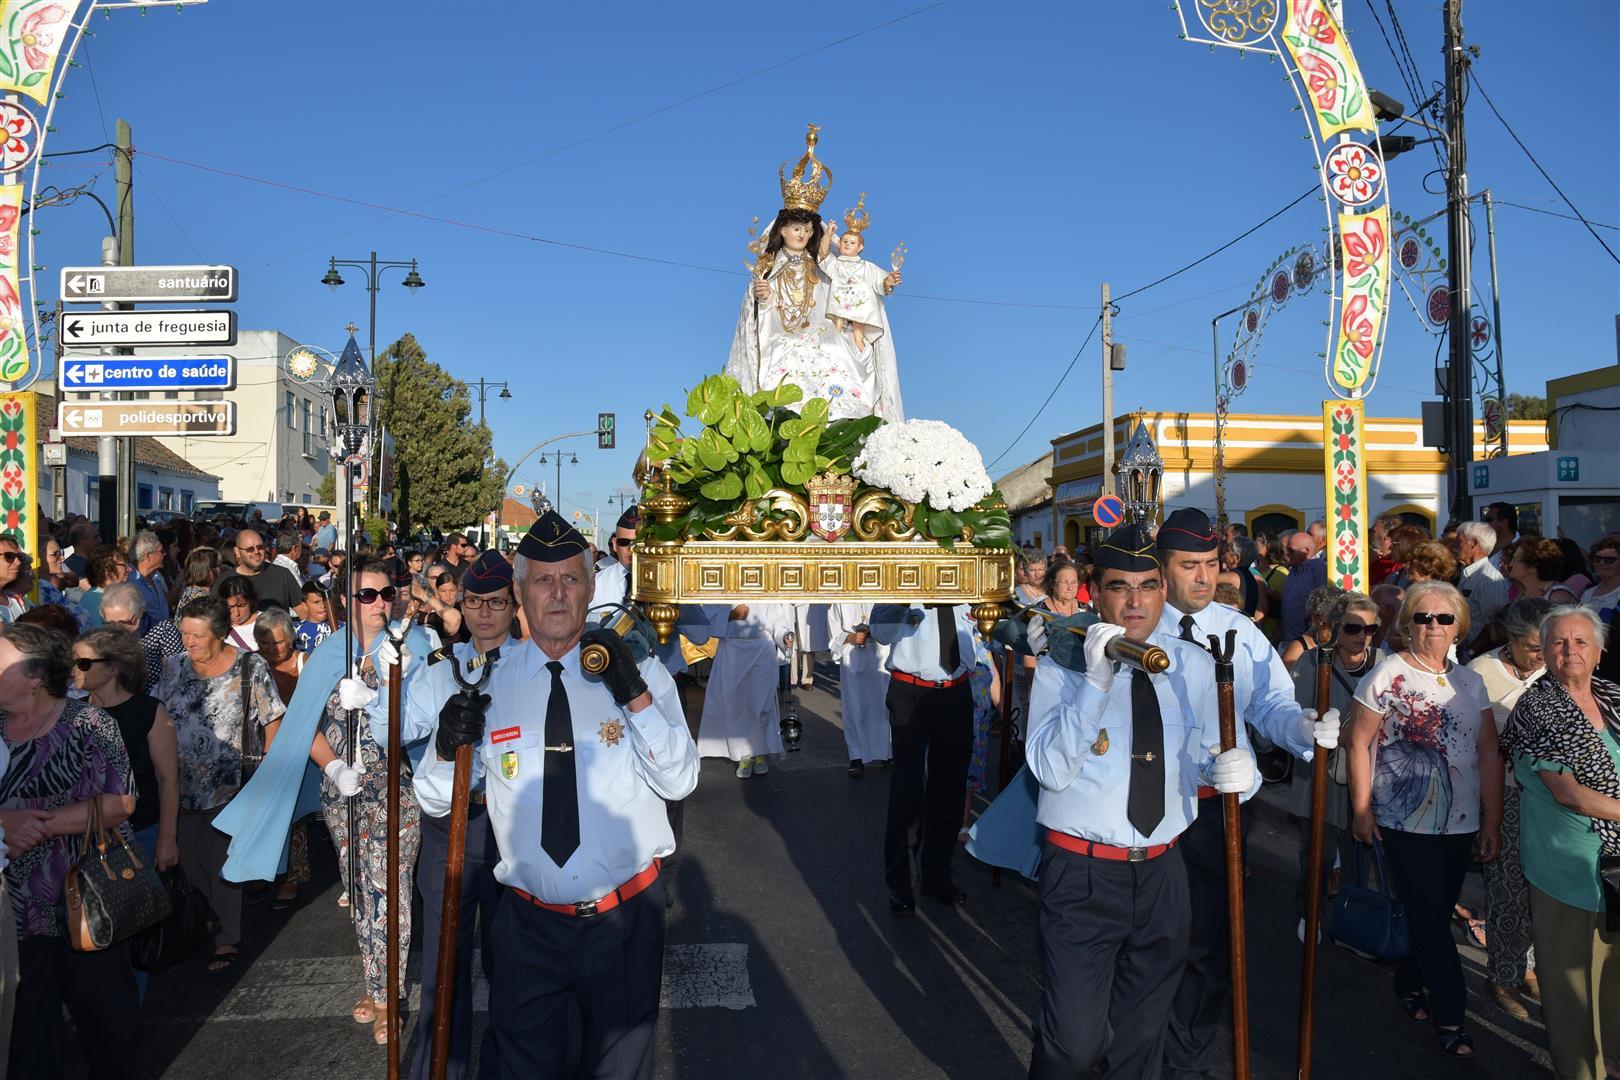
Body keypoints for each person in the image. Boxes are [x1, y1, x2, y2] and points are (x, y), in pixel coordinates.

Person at [419, 508, 698, 1080]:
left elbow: (680, 780)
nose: (556, 593)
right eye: (542, 580)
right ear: (519, 590)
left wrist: (635, 697)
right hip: (527, 926)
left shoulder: (639, 673)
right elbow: (433, 798)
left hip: (624, 918)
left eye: (570, 578)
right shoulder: (488, 682)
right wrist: (448, 747)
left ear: (592, 587)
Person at [1019, 523, 1258, 1078]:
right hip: (1082, 874)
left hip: (1163, 874)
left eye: (1148, 585)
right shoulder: (1064, 663)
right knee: (1073, 1045)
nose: (1135, 601)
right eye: (1120, 587)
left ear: (1161, 592)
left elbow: (1201, 757)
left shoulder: (1193, 664)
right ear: (1096, 592)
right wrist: (1096, 684)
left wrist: (1228, 770)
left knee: (1138, 1045)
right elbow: (1050, 770)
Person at [1153, 508, 1336, 1079]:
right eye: (1190, 566)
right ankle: (1133, 1050)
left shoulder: (1238, 631)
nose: (1204, 578)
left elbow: (1270, 705)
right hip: (1144, 816)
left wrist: (1301, 726)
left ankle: (1184, 1064)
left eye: (1211, 564)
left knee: (1209, 951)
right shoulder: (1132, 626)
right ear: (1161, 569)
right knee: (1148, 949)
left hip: (1216, 815)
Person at [1346, 581, 1504, 1058]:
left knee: (1431, 911)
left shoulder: (1470, 681)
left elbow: (1488, 751)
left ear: (1459, 624)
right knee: (1435, 921)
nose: (1433, 627)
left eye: (1444, 618)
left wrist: (1491, 820)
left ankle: (1409, 980)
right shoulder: (1386, 676)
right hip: (1402, 817)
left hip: (1459, 823)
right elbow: (1357, 743)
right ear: (1407, 623)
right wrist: (1361, 808)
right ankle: (1453, 1017)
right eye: (1423, 617)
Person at [0, 622, 138, 1079]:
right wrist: (7, 823)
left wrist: (39, 827)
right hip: (13, 907)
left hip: (86, 895)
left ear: (36, 675)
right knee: (25, 1031)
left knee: (105, 1022)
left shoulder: (89, 723)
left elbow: (121, 802)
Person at [401, 551, 516, 1080]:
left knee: (515, 968)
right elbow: (400, 735)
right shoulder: (438, 669)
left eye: (496, 602)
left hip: (515, 831)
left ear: (515, 606)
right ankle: (441, 1070)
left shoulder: (537, 671)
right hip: (450, 824)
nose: (484, 613)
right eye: (474, 601)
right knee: (444, 971)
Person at [1501, 605, 1619, 1079]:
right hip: (1565, 865)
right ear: (1544, 651)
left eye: (1581, 642)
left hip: (1615, 864)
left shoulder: (1614, 696)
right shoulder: (1538, 706)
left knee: (1612, 973)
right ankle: (1579, 1070)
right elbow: (1567, 792)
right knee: (1570, 980)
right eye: (1558, 642)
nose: (1570, 650)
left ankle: (1611, 1060)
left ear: (1599, 651)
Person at [725, 126, 903, 421]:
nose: (803, 235)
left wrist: (878, 288)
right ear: (782, 230)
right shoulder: (769, 267)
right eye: (797, 229)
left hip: (823, 331)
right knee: (791, 353)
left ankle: (840, 426)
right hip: (782, 337)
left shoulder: (822, 266)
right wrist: (763, 297)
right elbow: (757, 319)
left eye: (808, 230)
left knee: (840, 350)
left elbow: (849, 287)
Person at [156, 595, 285, 974]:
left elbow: (272, 720)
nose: (189, 643)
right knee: (191, 865)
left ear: (221, 635)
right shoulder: (172, 667)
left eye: (197, 636)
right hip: (179, 787)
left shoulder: (250, 665)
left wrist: (268, 779)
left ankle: (227, 936)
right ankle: (203, 925)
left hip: (231, 786)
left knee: (223, 866)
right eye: (185, 634)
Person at [1465, 596, 1551, 1018]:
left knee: (1542, 889)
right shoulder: (1480, 674)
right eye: (1534, 646)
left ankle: (1529, 968)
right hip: (1504, 794)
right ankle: (1503, 977)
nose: (1542, 654)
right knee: (1507, 889)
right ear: (1511, 640)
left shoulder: (1556, 670)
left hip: (1551, 798)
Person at [869, 597, 980, 912]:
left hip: (956, 690)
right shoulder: (907, 572)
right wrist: (902, 601)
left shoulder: (961, 575)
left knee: (950, 790)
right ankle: (900, 884)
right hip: (911, 692)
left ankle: (936, 875)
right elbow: (880, 632)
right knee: (908, 790)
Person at [1288, 591, 1382, 936]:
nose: (1362, 636)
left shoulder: (1383, 663)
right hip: (1320, 774)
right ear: (1336, 627)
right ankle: (1309, 914)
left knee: (1361, 857)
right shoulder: (1312, 663)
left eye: (1370, 629)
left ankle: (1354, 921)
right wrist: (1340, 733)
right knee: (1318, 856)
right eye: (1354, 627)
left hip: (1369, 776)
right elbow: (1295, 719)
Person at [254, 608, 312, 909]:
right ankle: (262, 870)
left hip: (297, 748)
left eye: (276, 642)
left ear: (290, 639)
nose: (270, 649)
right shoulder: (251, 665)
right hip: (259, 747)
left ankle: (292, 875)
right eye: (263, 642)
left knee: (293, 817)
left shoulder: (305, 662)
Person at [697, 602, 794, 777]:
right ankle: (745, 754)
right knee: (737, 704)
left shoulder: (766, 586)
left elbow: (778, 624)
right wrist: (731, 616)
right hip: (733, 649)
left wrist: (784, 637)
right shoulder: (725, 582)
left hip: (762, 649)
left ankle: (759, 753)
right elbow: (706, 618)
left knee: (760, 703)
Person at [819, 192, 902, 355]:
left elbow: (880, 280)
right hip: (841, 297)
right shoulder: (836, 264)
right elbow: (822, 256)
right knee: (838, 315)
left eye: (852, 242)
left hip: (859, 302)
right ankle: (837, 331)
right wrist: (828, 234)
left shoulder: (866, 267)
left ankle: (858, 337)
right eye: (845, 242)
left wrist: (889, 280)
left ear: (860, 247)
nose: (848, 245)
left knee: (862, 306)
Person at [827, 602, 891, 777]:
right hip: (853, 656)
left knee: (883, 705)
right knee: (855, 707)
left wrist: (877, 632)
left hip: (881, 654)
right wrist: (849, 638)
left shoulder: (882, 594)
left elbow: (892, 623)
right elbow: (834, 634)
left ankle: (887, 752)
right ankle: (857, 756)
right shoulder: (841, 599)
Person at [100, 581, 186, 692]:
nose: (117, 628)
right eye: (110, 623)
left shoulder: (163, 630)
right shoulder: (106, 637)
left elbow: (178, 673)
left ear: (139, 613)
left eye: (124, 622)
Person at [1456, 520, 1509, 657]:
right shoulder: (1467, 573)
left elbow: (1495, 625)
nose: (1454, 546)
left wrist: (1471, 652)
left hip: (1479, 657)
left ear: (1473, 544)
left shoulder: (1489, 578)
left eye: (1458, 542)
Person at [214, 528, 302, 611]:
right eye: (250, 549)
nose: (256, 552)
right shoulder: (225, 580)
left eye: (260, 547)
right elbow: (213, 617)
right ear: (237, 552)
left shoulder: (283, 575)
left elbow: (303, 611)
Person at [1279, 585, 1346, 673]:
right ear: (1315, 618)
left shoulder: (1342, 643)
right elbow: (1284, 683)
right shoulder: (1298, 649)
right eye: (1327, 623)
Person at [1279, 528, 1326, 643]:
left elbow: (1321, 605)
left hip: (1306, 643)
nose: (1286, 553)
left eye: (1291, 550)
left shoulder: (1318, 568)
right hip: (1288, 639)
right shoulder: (1293, 569)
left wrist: (1308, 636)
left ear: (1307, 550)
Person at [1508, 535, 1581, 606]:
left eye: (1515, 560)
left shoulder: (1558, 596)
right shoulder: (1524, 595)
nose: (1510, 564)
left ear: (1532, 567)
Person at [77, 546, 128, 629]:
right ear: (108, 571)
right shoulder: (96, 601)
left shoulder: (101, 596)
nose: (129, 569)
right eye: (124, 565)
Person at [127, 530, 170, 628]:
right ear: (148, 556)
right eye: (161, 551)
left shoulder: (156, 576)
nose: (165, 554)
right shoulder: (129, 580)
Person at [219, 575, 261, 653]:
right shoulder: (218, 626)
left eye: (242, 606)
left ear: (251, 601)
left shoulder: (267, 622)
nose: (236, 613)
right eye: (230, 607)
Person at [176, 545, 222, 611]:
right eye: (218, 565)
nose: (221, 569)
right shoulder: (194, 594)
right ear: (208, 570)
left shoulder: (207, 592)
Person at [1483, 502, 1519, 574]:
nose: (1484, 524)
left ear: (1505, 522)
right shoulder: (1482, 543)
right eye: (1484, 520)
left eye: (1489, 519)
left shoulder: (1521, 547)